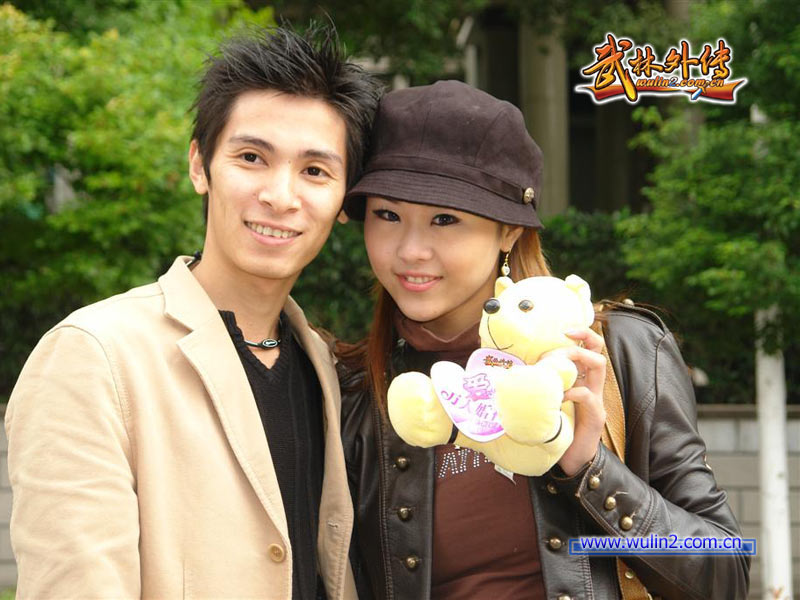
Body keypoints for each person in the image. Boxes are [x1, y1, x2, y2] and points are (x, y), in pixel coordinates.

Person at [5, 24, 381, 599]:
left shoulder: (327, 368)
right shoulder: (93, 356)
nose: (280, 196)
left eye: (315, 171)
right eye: (251, 157)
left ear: (345, 200)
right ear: (200, 166)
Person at [337, 80, 750, 599]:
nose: (410, 249)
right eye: (387, 215)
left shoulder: (617, 353)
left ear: (509, 230)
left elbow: (725, 573)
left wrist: (590, 467)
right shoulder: (355, 394)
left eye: (445, 219)